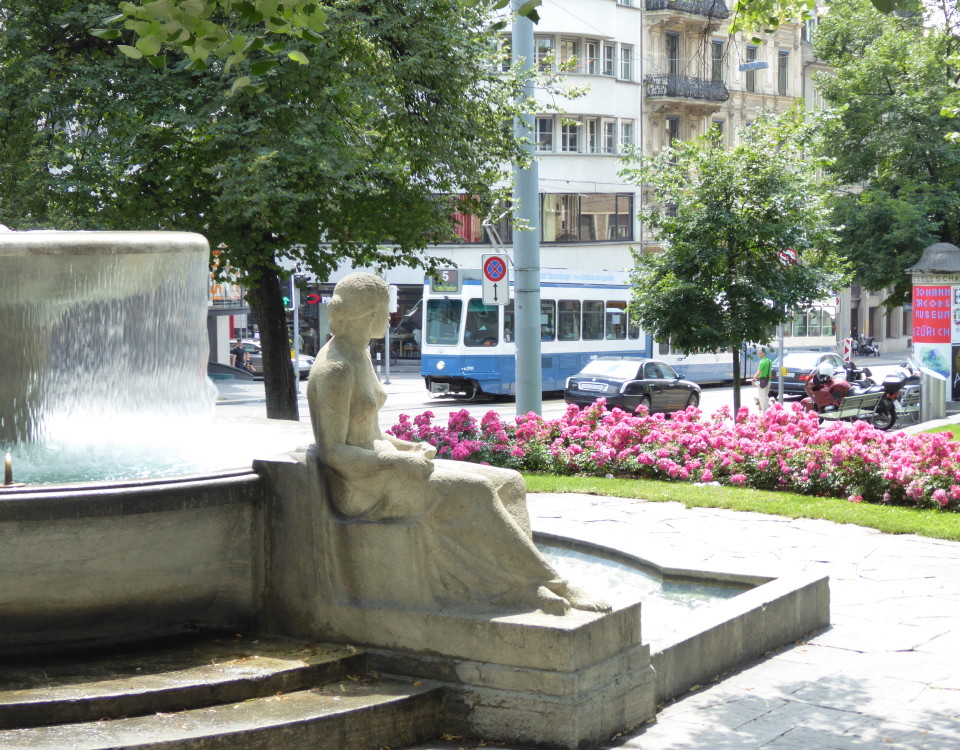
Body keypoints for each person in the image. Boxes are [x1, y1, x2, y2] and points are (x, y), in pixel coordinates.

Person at [307, 273, 608, 616]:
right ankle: (554, 583)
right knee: (474, 491)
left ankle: (525, 584)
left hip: (386, 467)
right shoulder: (336, 368)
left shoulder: (358, 353)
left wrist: (407, 447)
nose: (390, 318)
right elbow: (334, 451)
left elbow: (368, 431)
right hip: (362, 487)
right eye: (385, 310)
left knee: (510, 481)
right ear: (368, 314)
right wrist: (398, 463)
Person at [754, 347, 772, 412]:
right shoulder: (769, 360)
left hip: (762, 381)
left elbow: (758, 372)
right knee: (766, 396)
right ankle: (769, 411)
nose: (758, 355)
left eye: (759, 353)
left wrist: (753, 379)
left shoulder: (762, 362)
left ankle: (765, 412)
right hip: (768, 381)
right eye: (758, 353)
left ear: (764, 354)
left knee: (762, 397)